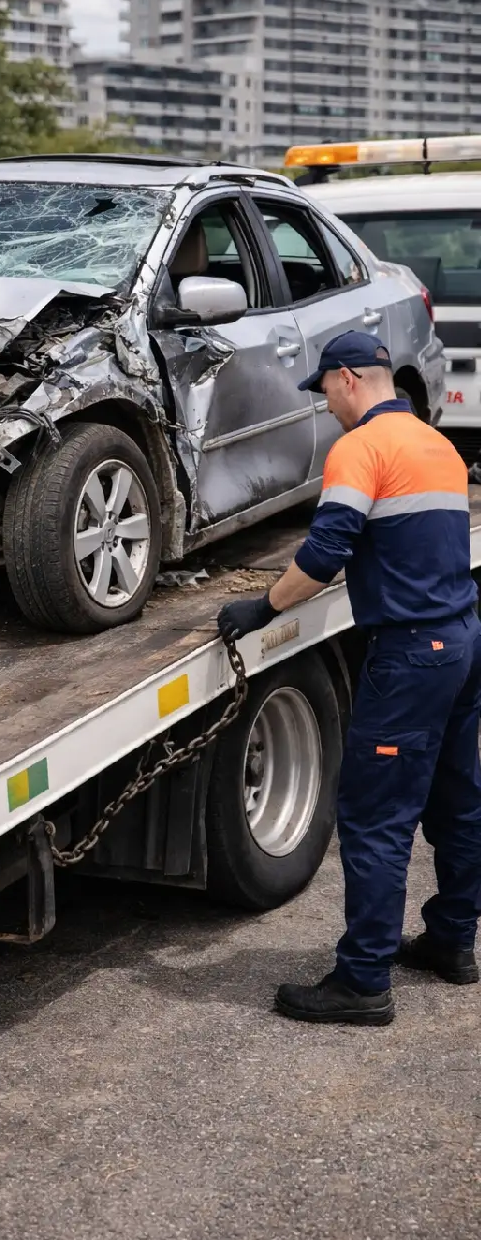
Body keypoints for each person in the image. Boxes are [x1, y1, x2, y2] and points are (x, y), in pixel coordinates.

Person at [217, 331, 481, 1026]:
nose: (326, 404)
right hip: (461, 639)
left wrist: (263, 607)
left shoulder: (360, 448)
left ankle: (363, 980)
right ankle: (454, 942)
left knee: (375, 817)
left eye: (324, 390)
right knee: (457, 801)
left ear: (347, 379)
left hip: (410, 654)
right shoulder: (438, 446)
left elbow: (327, 550)